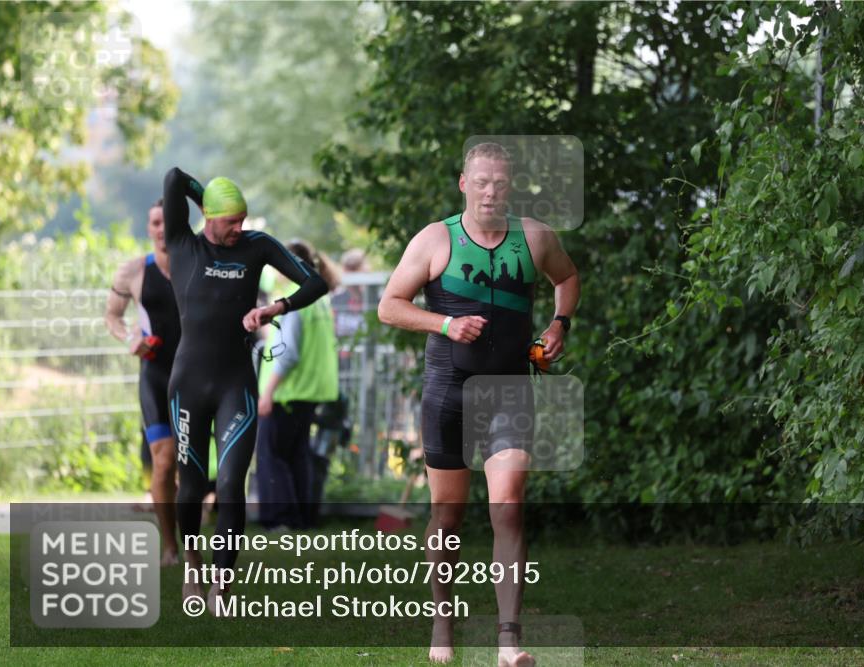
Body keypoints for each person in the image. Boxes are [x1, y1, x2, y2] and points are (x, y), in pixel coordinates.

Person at [377, 142, 580, 666]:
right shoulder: (434, 240)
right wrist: (445, 324)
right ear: (464, 183)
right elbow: (389, 307)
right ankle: (442, 622)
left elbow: (568, 277)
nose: (491, 192)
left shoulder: (535, 238)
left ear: (511, 187)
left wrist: (560, 324)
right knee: (448, 516)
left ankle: (509, 640)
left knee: (508, 504)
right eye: (482, 182)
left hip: (510, 388)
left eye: (501, 183)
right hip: (450, 390)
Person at [161, 167, 328, 611]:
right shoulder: (183, 244)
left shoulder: (257, 247)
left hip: (237, 383)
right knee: (191, 486)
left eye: (243, 219)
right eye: (229, 220)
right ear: (208, 216)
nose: (239, 228)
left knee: (233, 483)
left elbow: (316, 281)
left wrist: (275, 308)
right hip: (189, 385)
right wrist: (206, 196)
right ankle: (193, 566)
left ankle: (221, 583)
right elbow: (175, 177)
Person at [104, 198, 181, 567]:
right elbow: (112, 316)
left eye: (168, 222)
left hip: (197, 376)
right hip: (155, 375)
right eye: (155, 223)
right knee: (164, 463)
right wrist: (128, 339)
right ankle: (170, 547)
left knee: (194, 469)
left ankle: (198, 539)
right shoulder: (134, 271)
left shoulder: (199, 265)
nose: (162, 229)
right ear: (148, 228)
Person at [256, 241, 341, 530]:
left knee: (273, 456)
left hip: (287, 392)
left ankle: (280, 519)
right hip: (310, 391)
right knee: (297, 455)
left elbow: (288, 352)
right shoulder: (320, 300)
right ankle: (302, 518)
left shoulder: (293, 300)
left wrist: (267, 392)